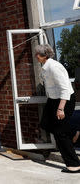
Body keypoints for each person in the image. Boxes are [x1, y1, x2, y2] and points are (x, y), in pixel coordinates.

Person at [36, 44, 80, 173]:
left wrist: (60, 109)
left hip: (64, 100)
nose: (36, 56)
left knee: (60, 133)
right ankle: (73, 132)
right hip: (53, 100)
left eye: (37, 54)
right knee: (45, 123)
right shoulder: (46, 67)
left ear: (43, 55)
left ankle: (74, 164)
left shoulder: (54, 67)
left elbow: (65, 89)